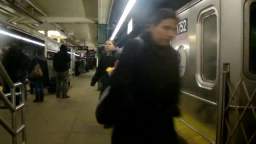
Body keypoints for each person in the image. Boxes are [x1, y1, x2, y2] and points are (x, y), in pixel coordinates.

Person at [109, 8, 181, 144]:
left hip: (162, 128)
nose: (171, 34)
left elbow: (173, 92)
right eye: (166, 28)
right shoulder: (135, 47)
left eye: (174, 29)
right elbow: (119, 88)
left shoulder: (173, 55)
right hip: (131, 127)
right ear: (152, 27)